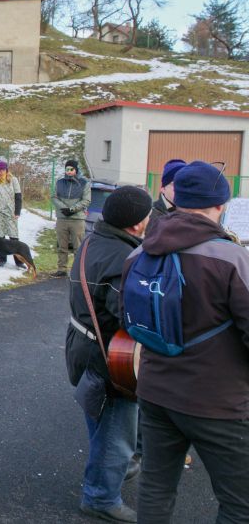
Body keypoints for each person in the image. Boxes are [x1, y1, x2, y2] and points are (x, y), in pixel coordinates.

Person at [126, 162, 249, 523]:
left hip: (155, 392)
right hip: (219, 403)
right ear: (221, 205)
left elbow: (128, 319)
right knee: (240, 504)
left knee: (156, 487)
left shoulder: (138, 254)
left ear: (176, 198)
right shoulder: (232, 258)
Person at [66, 186, 153, 523]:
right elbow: (130, 318)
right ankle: (101, 497)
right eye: (147, 216)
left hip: (83, 342)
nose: (150, 220)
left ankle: (107, 475)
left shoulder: (94, 239)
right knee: (115, 431)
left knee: (103, 425)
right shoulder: (121, 258)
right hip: (106, 355)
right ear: (135, 224)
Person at [52, 159, 90, 278]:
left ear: (76, 170)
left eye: (71, 169)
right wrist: (64, 209)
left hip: (77, 220)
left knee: (78, 247)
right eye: (67, 169)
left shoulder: (84, 183)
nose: (69, 171)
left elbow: (86, 200)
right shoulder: (59, 182)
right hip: (62, 218)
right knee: (61, 246)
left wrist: (72, 209)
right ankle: (62, 269)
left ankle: (78, 271)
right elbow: (54, 196)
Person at [0, 160, 24, 268]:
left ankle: (19, 261)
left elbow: (18, 196)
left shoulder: (13, 180)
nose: (0, 172)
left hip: (11, 212)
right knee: (0, 237)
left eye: (2, 169)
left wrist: (17, 211)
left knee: (14, 237)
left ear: (6, 170)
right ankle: (3, 259)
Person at [145, 159, 185, 236]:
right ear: (163, 188)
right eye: (175, 184)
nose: (181, 189)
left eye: (185, 184)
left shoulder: (192, 213)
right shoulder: (151, 215)